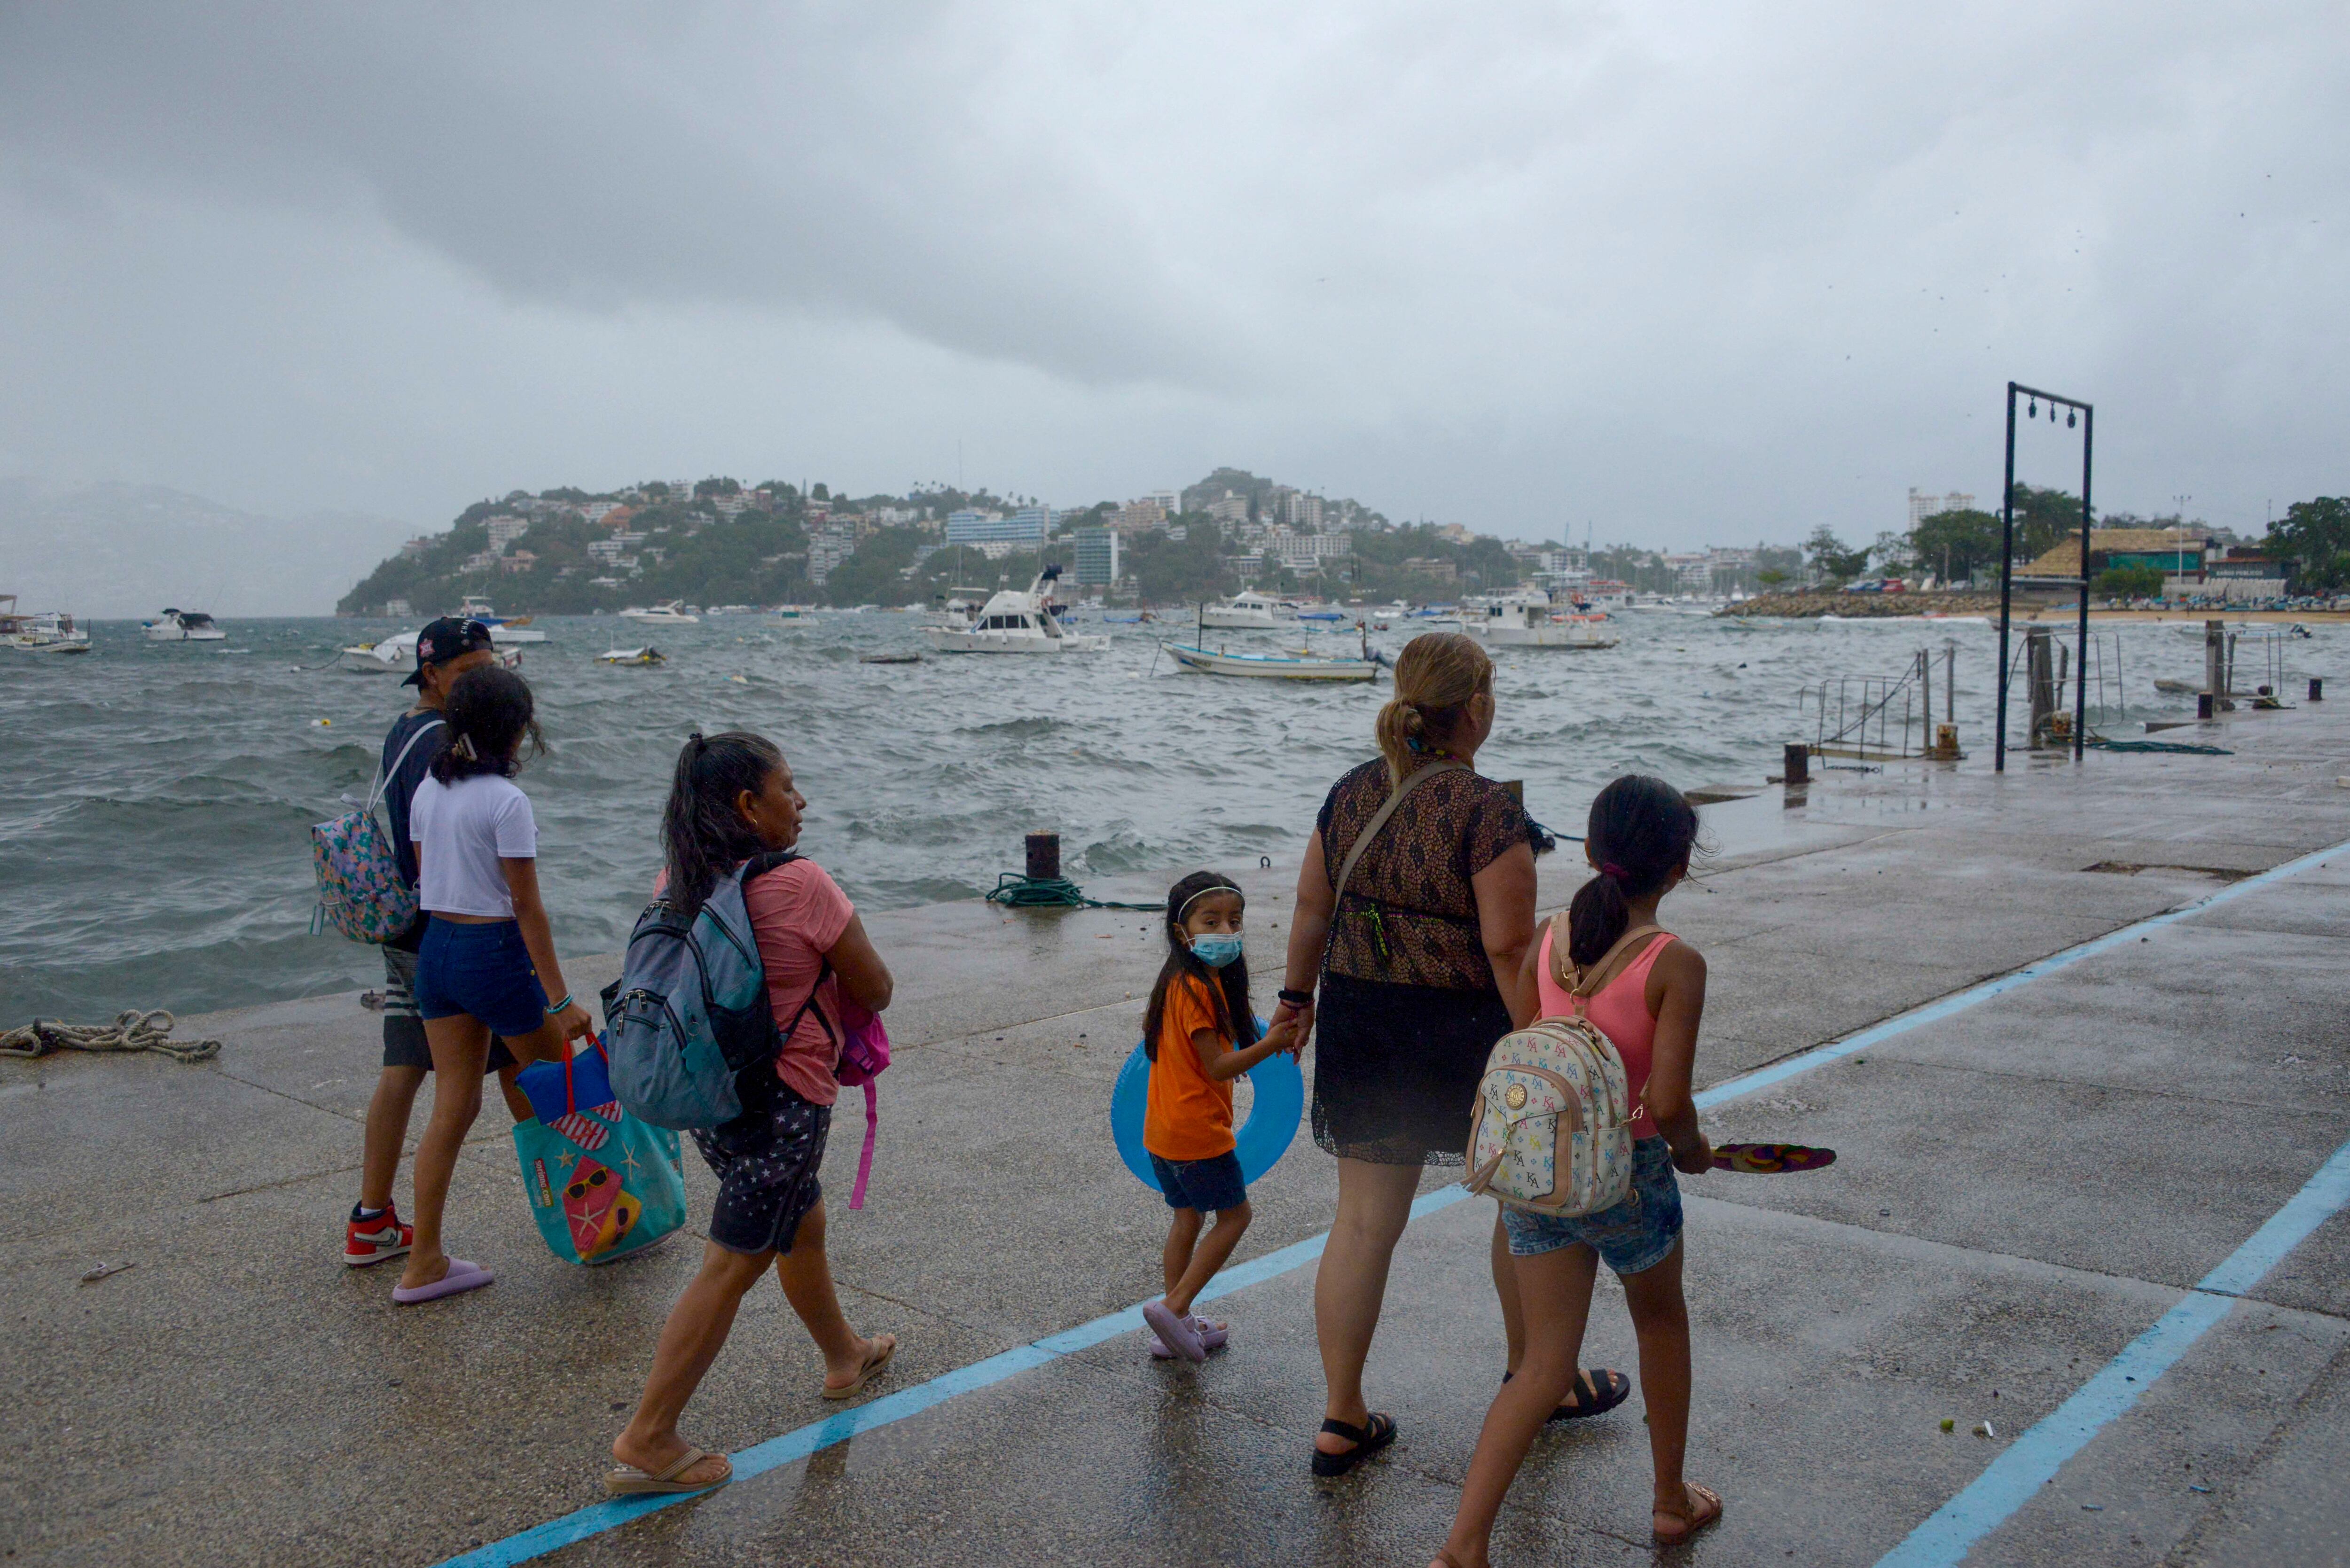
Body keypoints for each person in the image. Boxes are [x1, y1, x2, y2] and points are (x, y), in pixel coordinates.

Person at [1273, 632, 1622, 1478]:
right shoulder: (1487, 809)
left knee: (1362, 1223)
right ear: (1474, 708)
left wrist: (1294, 1000)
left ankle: (1342, 1416)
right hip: (1465, 1031)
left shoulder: (1349, 793)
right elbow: (1508, 949)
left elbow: (1312, 908)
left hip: (1363, 1019)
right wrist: (1548, 1042)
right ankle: (1534, 1379)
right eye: (1490, 692)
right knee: (1524, 1207)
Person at [1429, 775, 1720, 1564]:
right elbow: (1667, 1098)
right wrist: (1692, 1150)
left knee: (1541, 1366)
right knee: (1659, 1320)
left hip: (1538, 1171)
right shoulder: (1674, 962)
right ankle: (1668, 1502)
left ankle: (1463, 1544)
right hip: (1628, 1172)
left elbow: (1529, 1037)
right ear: (1680, 865)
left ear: (1591, 850)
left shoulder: (1554, 935)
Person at [609, 732, 898, 1497]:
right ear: (748, 804)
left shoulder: (679, 875)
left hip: (712, 1095)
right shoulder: (802, 882)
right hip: (785, 1101)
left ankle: (846, 1354)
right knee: (735, 1258)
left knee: (798, 1217)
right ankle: (650, 1434)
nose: (801, 802)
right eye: (788, 788)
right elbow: (875, 986)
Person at [394, 664, 595, 1303]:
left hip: (438, 953)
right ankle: (604, 1224)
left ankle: (422, 1260)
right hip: (493, 952)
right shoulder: (507, 802)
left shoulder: (430, 789)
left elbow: (429, 881)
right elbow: (527, 907)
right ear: (517, 732)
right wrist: (560, 1001)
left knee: (452, 1106)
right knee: (565, 1088)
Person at [345, 617, 532, 1268]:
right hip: (454, 937)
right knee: (525, 1072)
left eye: (491, 667)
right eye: (469, 671)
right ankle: (586, 1203)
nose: (483, 680)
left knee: (404, 1069)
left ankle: (372, 1219)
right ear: (431, 673)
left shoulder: (405, 728)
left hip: (409, 932)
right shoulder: (445, 743)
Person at [1137, 872, 1303, 1364]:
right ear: (1181, 930)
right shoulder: (1196, 989)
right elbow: (1216, 1066)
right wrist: (1270, 1045)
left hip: (1161, 1132)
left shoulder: (1177, 982)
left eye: (1234, 920)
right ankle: (1174, 1306)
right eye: (1210, 921)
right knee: (1235, 1216)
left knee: (1187, 1217)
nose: (1226, 931)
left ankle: (1176, 1326)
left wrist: (1262, 1033)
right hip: (1196, 1135)